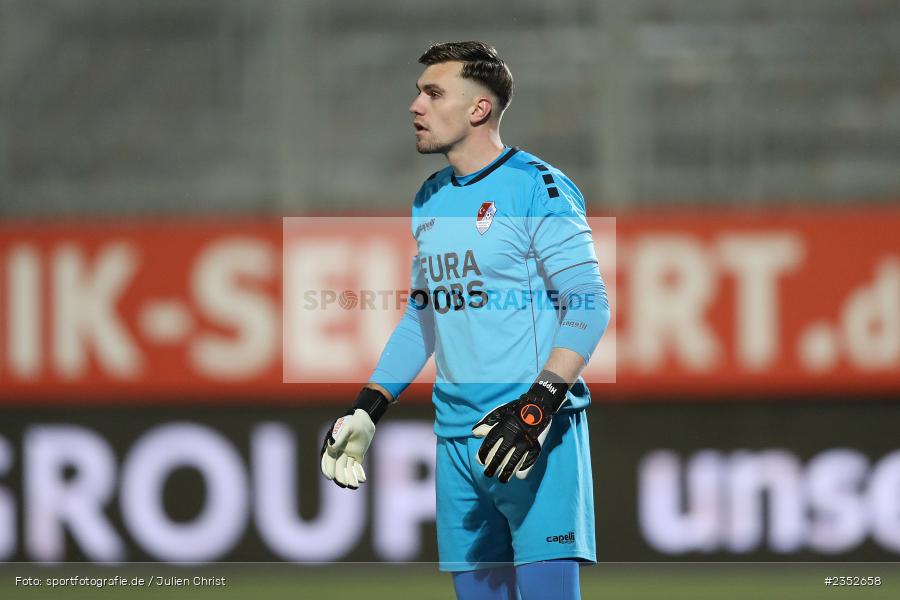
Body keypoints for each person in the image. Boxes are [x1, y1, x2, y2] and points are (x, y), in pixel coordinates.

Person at [320, 41, 610, 600]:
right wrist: (368, 406)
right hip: (456, 444)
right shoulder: (429, 200)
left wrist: (535, 408)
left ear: (479, 109)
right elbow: (424, 317)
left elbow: (588, 302)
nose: (415, 105)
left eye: (433, 92)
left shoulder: (537, 187)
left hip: (532, 437)